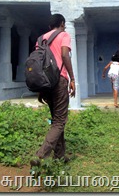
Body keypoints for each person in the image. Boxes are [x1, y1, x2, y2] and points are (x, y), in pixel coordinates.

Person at [30, 14, 76, 167]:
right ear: (62, 23)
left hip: (46, 83)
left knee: (57, 120)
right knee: (60, 121)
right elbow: (64, 54)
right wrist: (72, 78)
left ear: (50, 26)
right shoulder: (64, 35)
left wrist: (40, 89)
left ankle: (60, 156)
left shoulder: (40, 39)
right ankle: (41, 155)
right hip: (59, 81)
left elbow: (38, 64)